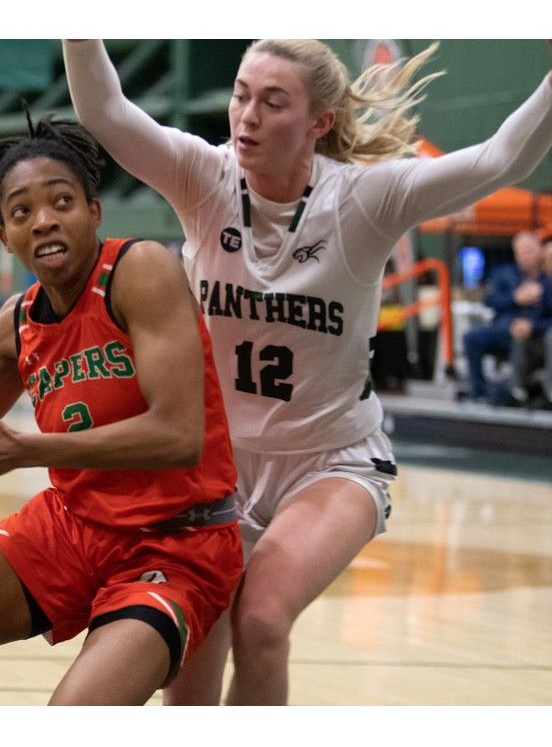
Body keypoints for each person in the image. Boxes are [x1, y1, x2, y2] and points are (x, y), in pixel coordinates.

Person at [62, 38, 552, 705]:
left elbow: (503, 156)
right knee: (192, 655)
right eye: (240, 95)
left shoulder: (367, 198)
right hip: (214, 464)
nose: (247, 116)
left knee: (261, 619)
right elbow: (105, 111)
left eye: (272, 102)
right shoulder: (203, 176)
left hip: (330, 460)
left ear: (319, 121)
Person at [0, 113, 243, 705]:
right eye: (20, 212)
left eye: (61, 201)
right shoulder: (19, 320)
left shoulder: (140, 272)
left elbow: (178, 434)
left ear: (93, 211)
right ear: (5, 237)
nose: (43, 220)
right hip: (73, 526)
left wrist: (28, 450)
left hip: (177, 545)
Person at [462, 230, 545, 403]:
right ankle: (479, 393)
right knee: (472, 338)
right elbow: (490, 300)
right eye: (521, 253)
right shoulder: (505, 274)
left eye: (529, 251)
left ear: (539, 251)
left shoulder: (547, 278)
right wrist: (515, 298)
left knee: (523, 339)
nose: (525, 257)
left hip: (537, 333)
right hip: (505, 328)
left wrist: (532, 326)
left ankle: (517, 392)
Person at [508, 236, 552, 407]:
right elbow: (540, 315)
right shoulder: (545, 285)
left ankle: (550, 390)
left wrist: (533, 326)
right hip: (541, 337)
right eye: (547, 261)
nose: (549, 265)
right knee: (520, 333)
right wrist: (527, 326)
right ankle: (517, 390)